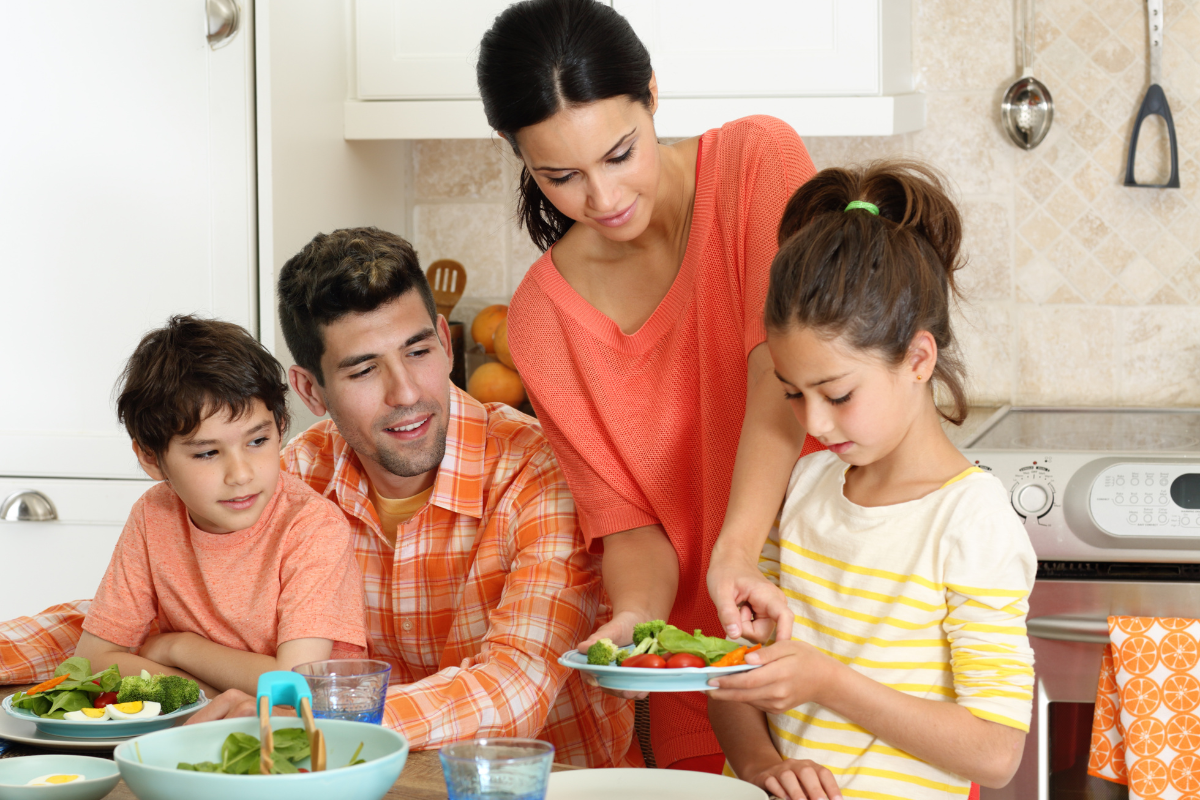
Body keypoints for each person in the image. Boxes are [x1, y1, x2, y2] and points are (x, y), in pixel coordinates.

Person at [476, 0, 819, 770]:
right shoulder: (541, 319)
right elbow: (630, 524)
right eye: (560, 176)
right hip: (710, 671)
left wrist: (733, 552)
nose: (602, 199)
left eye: (620, 153)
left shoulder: (758, 162)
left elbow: (782, 376)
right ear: (517, 153)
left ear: (653, 95)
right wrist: (635, 617)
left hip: (852, 618)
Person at [190, 227, 633, 767]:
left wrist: (304, 719)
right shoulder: (296, 477)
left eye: (418, 351)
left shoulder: (540, 473)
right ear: (310, 391)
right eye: (364, 369)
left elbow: (512, 691)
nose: (406, 394)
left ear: (445, 344)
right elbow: (166, 592)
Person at [706, 162, 1036, 800]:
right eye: (793, 395)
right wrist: (758, 765)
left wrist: (826, 682)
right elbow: (734, 678)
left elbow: (996, 753)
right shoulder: (802, 488)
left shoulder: (970, 519)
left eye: (837, 394)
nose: (816, 422)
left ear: (918, 358)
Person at [75, 315, 367, 697]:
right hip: (201, 729)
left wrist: (178, 648)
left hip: (305, 738)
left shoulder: (312, 526)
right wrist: (207, 694)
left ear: (280, 426)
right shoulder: (152, 515)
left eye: (257, 441)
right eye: (208, 452)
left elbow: (292, 686)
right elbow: (93, 661)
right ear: (150, 457)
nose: (241, 474)